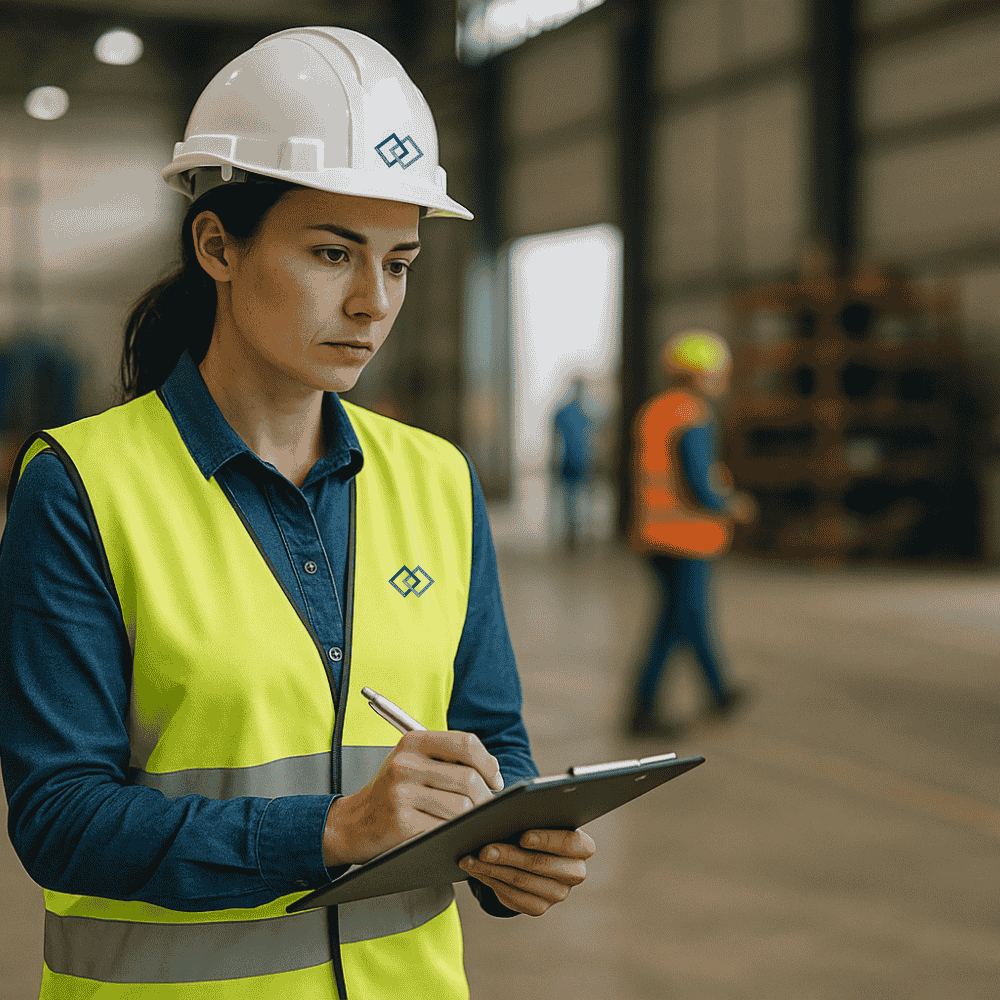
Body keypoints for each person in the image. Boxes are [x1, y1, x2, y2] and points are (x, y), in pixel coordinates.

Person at [0, 27, 595, 1000]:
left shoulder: (436, 478)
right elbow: (61, 820)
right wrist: (332, 830)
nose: (372, 302)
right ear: (217, 245)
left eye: (399, 263)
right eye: (332, 252)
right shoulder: (81, 486)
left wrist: (511, 844)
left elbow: (490, 737)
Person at [625, 329, 757, 736]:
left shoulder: (656, 410)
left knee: (679, 619)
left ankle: (717, 692)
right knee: (682, 620)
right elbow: (700, 484)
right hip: (686, 538)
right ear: (699, 374)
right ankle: (645, 709)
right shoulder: (692, 415)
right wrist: (733, 504)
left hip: (655, 534)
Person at [551, 376, 591, 550]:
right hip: (571, 461)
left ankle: (576, 532)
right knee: (571, 499)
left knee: (576, 499)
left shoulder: (584, 413)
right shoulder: (577, 413)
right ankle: (572, 533)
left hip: (579, 461)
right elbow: (556, 441)